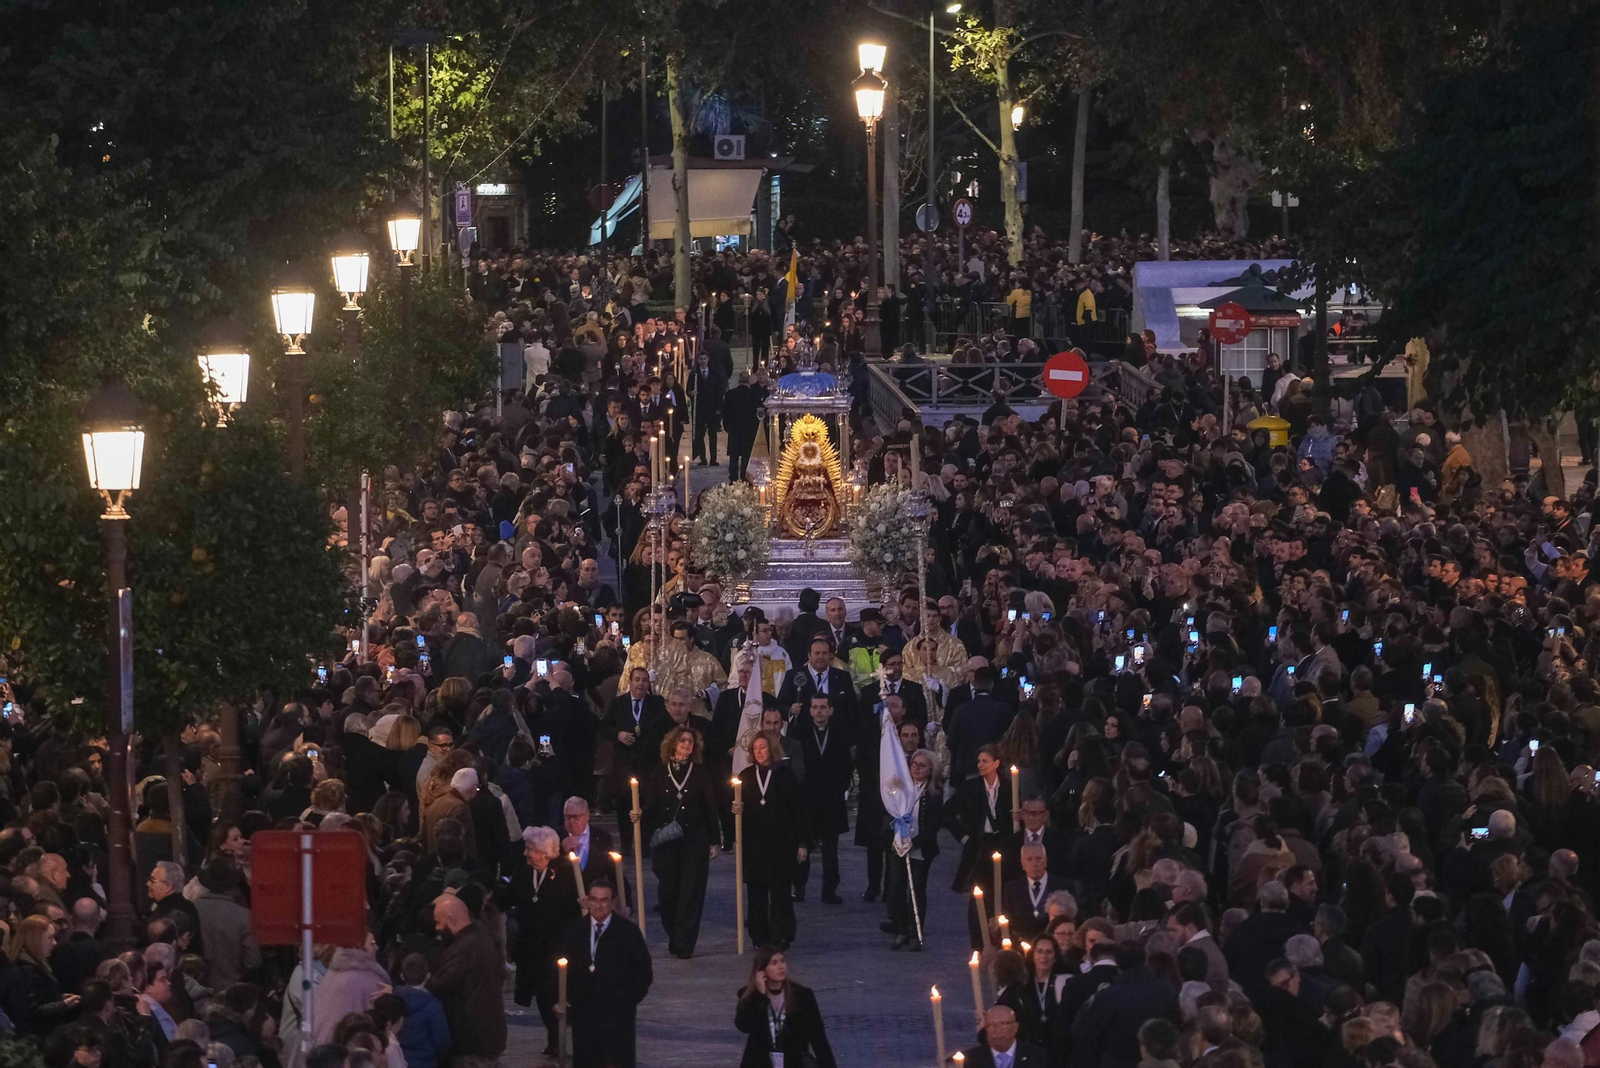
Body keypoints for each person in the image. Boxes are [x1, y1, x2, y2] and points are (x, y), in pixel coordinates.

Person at [640, 726, 720, 958]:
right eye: (682, 740)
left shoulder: (700, 772)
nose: (686, 744)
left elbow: (709, 806)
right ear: (673, 743)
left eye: (690, 741)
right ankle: (673, 934)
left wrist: (714, 840)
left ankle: (685, 943)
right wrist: (640, 817)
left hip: (694, 839)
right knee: (668, 893)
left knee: (690, 893)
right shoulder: (659, 772)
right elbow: (651, 806)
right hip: (667, 842)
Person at [559, 882, 653, 1068]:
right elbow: (561, 969)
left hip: (617, 1014)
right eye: (593, 900)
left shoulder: (627, 933)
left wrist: (627, 1000)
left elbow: (643, 972)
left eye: (604, 900)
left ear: (613, 902)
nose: (598, 905)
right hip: (584, 1011)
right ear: (586, 901)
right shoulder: (575, 930)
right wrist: (567, 998)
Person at [504, 826, 580, 1058]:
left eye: (530, 849)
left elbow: (575, 910)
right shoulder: (524, 875)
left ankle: (557, 1039)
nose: (526, 854)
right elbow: (507, 898)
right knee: (540, 994)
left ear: (545, 853)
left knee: (554, 995)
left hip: (557, 949)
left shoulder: (566, 876)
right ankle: (554, 1038)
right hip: (531, 950)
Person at [738, 730, 807, 949]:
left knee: (780, 892)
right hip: (755, 843)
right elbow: (741, 808)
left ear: (772, 749)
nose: (759, 752)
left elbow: (798, 810)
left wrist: (802, 842)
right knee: (756, 892)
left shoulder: (784, 775)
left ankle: (782, 933)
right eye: (755, 748)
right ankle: (759, 936)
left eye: (763, 747)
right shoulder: (746, 776)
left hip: (781, 842)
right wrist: (736, 809)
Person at [427, 894, 506, 1068]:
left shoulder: (462, 949)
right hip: (487, 1032)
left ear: (451, 920)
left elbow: (438, 985)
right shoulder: (482, 937)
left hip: (471, 1039)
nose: (438, 928)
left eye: (439, 922)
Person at [792, 694, 851, 905]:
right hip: (807, 799)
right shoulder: (799, 733)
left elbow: (846, 764)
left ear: (830, 710)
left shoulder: (840, 734)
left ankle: (829, 890)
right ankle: (799, 888)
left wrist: (841, 787)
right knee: (802, 846)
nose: (819, 711)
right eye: (815, 707)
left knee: (830, 849)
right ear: (809, 711)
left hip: (831, 800)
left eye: (823, 707)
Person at [734, 948, 837, 1068]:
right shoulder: (750, 995)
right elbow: (744, 1026)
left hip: (794, 1061)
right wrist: (760, 996)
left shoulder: (802, 995)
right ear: (762, 970)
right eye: (774, 963)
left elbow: (818, 1037)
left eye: (782, 961)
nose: (781, 967)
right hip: (760, 1062)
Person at [883, 748, 943, 950]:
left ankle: (916, 931)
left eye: (922, 765)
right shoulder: (901, 788)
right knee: (896, 888)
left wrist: (915, 842)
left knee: (917, 889)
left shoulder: (934, 794)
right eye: (914, 764)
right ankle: (902, 930)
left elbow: (934, 825)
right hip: (898, 845)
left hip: (920, 847)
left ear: (930, 769)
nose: (916, 768)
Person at [960, 1004, 1049, 1067]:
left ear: (1015, 1027)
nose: (997, 1030)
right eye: (991, 1025)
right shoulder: (972, 1060)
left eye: (1003, 1024)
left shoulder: (1037, 1057)